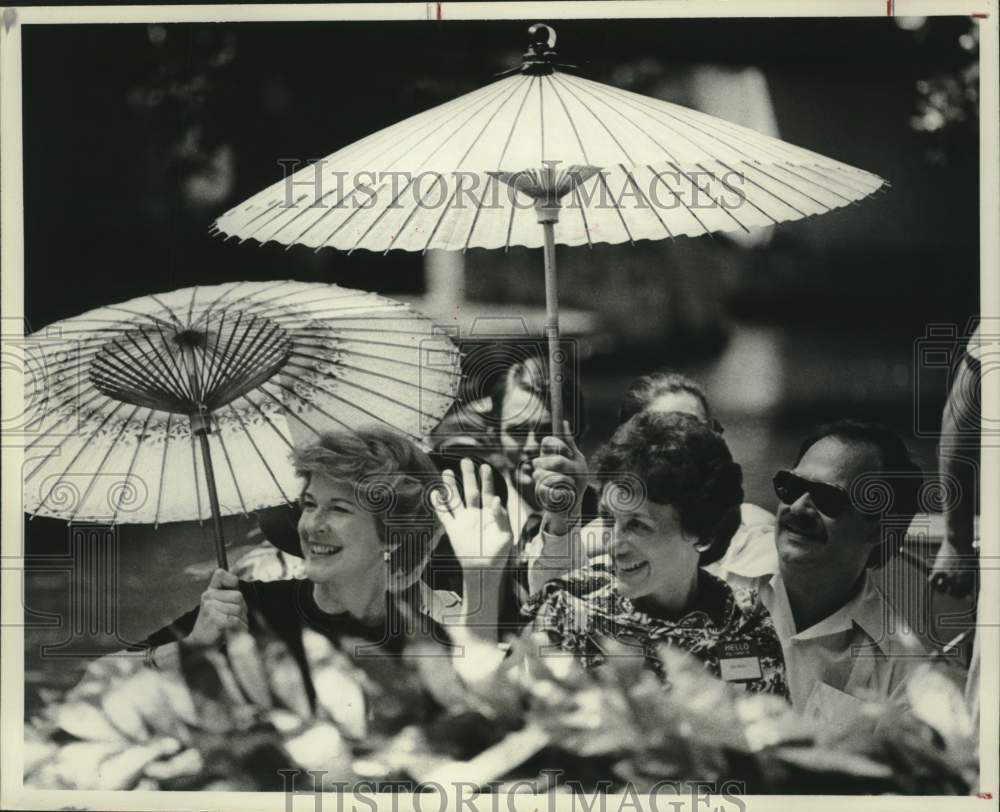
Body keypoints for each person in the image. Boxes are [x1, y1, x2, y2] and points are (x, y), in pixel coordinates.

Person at [134, 428, 512, 680]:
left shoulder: (421, 638)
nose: (312, 524)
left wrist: (483, 576)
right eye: (310, 504)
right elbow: (101, 682)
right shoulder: (249, 605)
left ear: (392, 538)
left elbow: (488, 714)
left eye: (339, 509)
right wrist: (195, 646)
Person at [520, 411, 788, 695]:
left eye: (638, 525)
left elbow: (769, 733)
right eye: (610, 519)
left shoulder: (748, 626)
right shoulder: (568, 609)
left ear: (703, 534)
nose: (614, 545)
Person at [529, 371, 776, 591]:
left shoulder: (759, 538)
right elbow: (552, 608)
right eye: (663, 436)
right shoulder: (595, 542)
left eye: (697, 431)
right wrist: (563, 517)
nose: (684, 447)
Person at [754, 419, 929, 719]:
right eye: (792, 487)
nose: (797, 508)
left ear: (879, 529)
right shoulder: (708, 572)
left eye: (826, 498)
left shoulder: (901, 670)